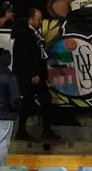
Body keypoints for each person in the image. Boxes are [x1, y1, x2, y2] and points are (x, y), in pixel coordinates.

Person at [14, 7, 59, 141]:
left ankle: (37, 130)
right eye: (38, 19)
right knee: (36, 101)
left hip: (35, 75)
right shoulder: (26, 35)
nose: (40, 22)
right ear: (30, 19)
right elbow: (25, 57)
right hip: (31, 76)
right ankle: (38, 131)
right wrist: (33, 74)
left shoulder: (32, 34)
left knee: (35, 101)